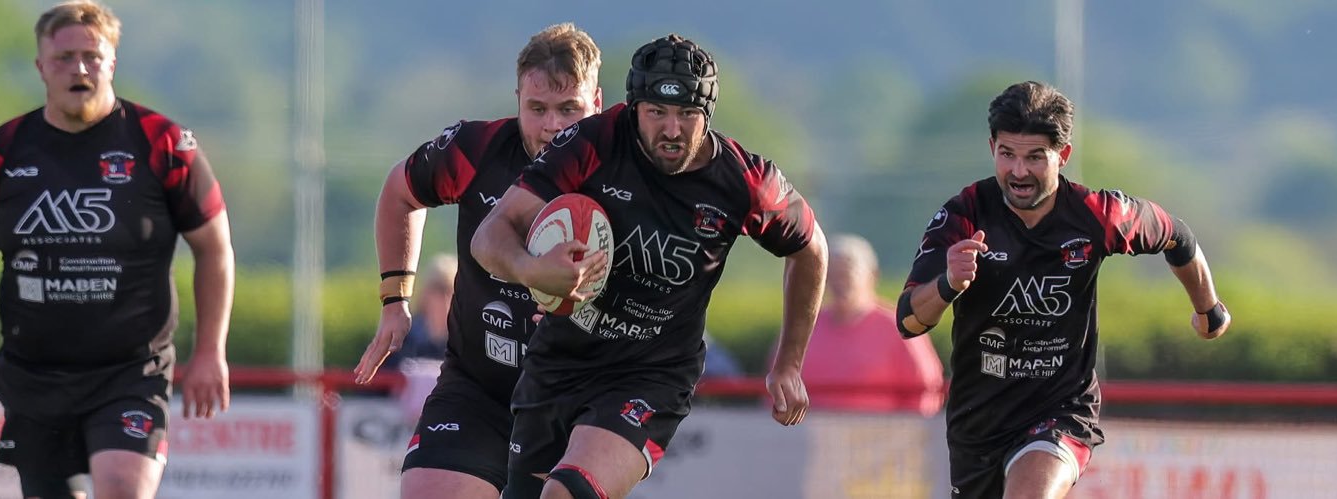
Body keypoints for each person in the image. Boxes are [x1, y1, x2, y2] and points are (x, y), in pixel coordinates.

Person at [473, 33, 828, 499]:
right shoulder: (595, 141)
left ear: (708, 116)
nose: (672, 130)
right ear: (634, 107)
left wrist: (789, 364)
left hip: (651, 375)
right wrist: (531, 269)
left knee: (566, 493)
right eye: (657, 113)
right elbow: (490, 234)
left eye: (687, 115)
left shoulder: (743, 181)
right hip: (561, 361)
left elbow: (811, 249)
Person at [0, 1, 235, 498]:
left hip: (131, 370)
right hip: (34, 374)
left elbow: (215, 248)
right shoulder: (2, 151)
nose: (79, 69)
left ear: (112, 60)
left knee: (122, 485)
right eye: (64, 58)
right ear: (40, 67)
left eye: (92, 56)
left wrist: (210, 351)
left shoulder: (163, 143)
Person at [895, 80, 1231, 498]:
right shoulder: (964, 214)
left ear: (1063, 155)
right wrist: (949, 283)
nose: (1019, 172)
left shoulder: (1097, 215)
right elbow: (908, 320)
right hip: (978, 422)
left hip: (1061, 410)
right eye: (1008, 155)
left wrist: (1209, 309)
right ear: (992, 149)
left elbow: (1176, 236)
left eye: (1035, 157)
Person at [349, 23, 604, 499]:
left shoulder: (626, 167)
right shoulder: (477, 150)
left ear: (597, 102)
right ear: (517, 99)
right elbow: (400, 192)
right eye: (537, 109)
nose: (552, 126)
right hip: (479, 387)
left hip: (581, 403)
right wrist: (394, 301)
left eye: (568, 109)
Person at [797, 233, 944, 416]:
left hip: (881, 440)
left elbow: (926, 392)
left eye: (846, 273)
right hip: (811, 440)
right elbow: (779, 384)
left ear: (872, 276)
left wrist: (907, 436)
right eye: (831, 274)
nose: (839, 282)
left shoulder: (902, 327)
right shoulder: (803, 327)